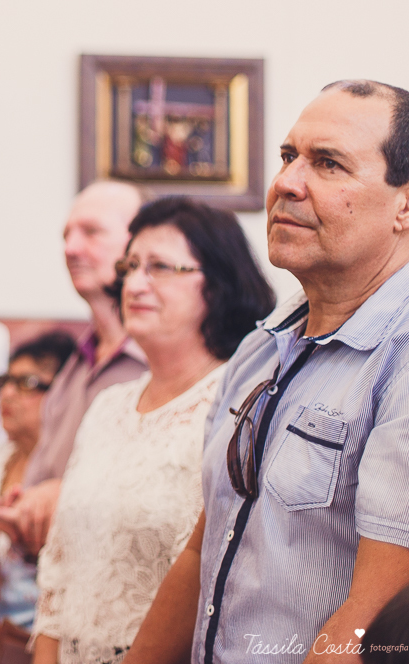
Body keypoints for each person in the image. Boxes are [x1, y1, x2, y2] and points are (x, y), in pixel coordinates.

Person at [126, 81, 409, 664]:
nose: (285, 184)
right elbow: (207, 544)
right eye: (288, 157)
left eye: (328, 164)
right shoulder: (263, 347)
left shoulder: (397, 359)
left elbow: (371, 622)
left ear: (404, 206)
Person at [31, 198, 274, 664]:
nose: (134, 283)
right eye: (131, 265)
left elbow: (217, 574)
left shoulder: (236, 404)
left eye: (160, 267)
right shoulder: (109, 406)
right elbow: (58, 565)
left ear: (217, 286)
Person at [0, 181, 147, 555]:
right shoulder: (74, 366)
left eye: (91, 232)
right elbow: (43, 474)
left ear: (139, 243)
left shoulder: (159, 365)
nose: (70, 248)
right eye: (67, 235)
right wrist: (21, 508)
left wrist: (64, 498)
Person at [0, 332, 76, 664]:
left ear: (64, 396)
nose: (8, 394)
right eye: (5, 381)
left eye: (27, 382)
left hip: (48, 647)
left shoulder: (70, 470)